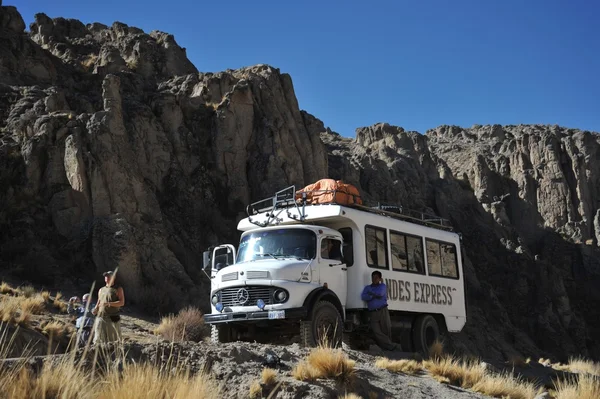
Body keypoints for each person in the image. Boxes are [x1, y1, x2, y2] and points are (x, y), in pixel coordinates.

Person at [361, 271, 398, 351]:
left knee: (386, 330)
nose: (374, 279)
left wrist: (370, 294)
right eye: (373, 278)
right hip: (373, 312)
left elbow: (380, 294)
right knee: (376, 331)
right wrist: (373, 296)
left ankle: (388, 349)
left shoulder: (383, 286)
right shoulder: (367, 287)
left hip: (383, 310)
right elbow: (364, 296)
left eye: (376, 278)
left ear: (380, 279)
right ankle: (392, 346)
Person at [92, 270, 125, 344]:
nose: (106, 277)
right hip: (100, 317)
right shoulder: (101, 289)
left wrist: (108, 303)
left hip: (112, 318)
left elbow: (121, 302)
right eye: (105, 276)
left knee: (113, 340)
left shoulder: (118, 289)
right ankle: (99, 354)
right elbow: (99, 301)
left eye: (108, 276)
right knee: (98, 339)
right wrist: (95, 309)